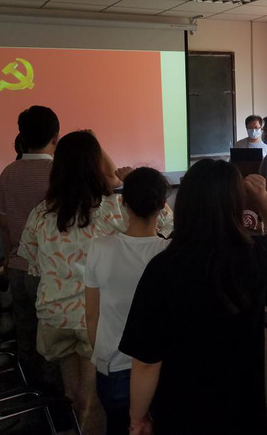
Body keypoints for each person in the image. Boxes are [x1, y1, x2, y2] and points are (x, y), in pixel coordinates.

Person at [119, 161, 267, 435]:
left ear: (184, 203)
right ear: (236, 204)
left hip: (181, 414)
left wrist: (137, 419)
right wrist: (262, 197)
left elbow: (146, 361)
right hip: (244, 413)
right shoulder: (255, 257)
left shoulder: (162, 268)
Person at [19, 131, 173, 435]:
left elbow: (33, 265)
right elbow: (165, 222)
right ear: (96, 165)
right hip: (96, 321)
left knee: (73, 393)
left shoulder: (41, 213)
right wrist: (128, 180)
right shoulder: (113, 208)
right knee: (94, 404)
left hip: (54, 316)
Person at [84, 168, 171, 435]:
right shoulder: (169, 252)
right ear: (162, 205)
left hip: (112, 365)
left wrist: (101, 355)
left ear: (122, 202)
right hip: (159, 367)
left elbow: (92, 316)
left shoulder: (100, 247)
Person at [0, 105, 59, 389]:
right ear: (55, 137)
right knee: (51, 342)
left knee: (25, 335)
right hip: (47, 271)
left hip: (17, 267)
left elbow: (4, 225)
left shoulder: (8, 172)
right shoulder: (57, 172)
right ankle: (53, 401)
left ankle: (29, 394)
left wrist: (9, 261)